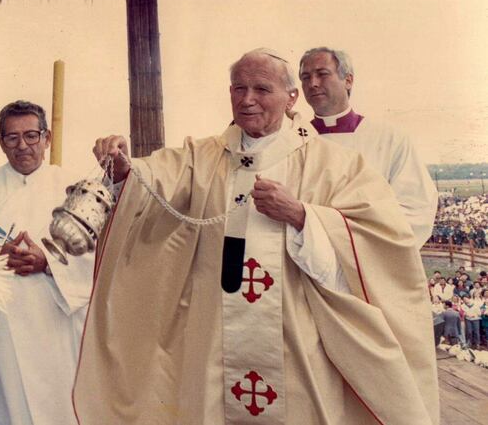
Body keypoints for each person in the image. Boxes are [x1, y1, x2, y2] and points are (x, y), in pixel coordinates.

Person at [76, 48, 438, 425]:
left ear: (291, 97)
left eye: (262, 89)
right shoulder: (202, 157)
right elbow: (152, 181)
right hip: (217, 332)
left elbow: (381, 238)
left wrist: (302, 216)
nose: (247, 99)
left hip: (296, 334)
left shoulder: (334, 164)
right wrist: (122, 168)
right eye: (238, 88)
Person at [0, 100, 92, 425]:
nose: (22, 146)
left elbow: (96, 256)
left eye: (31, 135)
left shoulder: (73, 188)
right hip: (2, 331)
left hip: (55, 325)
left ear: (47, 138)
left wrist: (47, 260)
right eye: (12, 138)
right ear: (1, 142)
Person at [299, 47, 436, 247]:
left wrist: (355, 244)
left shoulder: (389, 138)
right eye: (305, 77)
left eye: (322, 74)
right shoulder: (294, 140)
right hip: (305, 256)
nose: (313, 83)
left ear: (348, 80)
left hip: (368, 258)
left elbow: (417, 207)